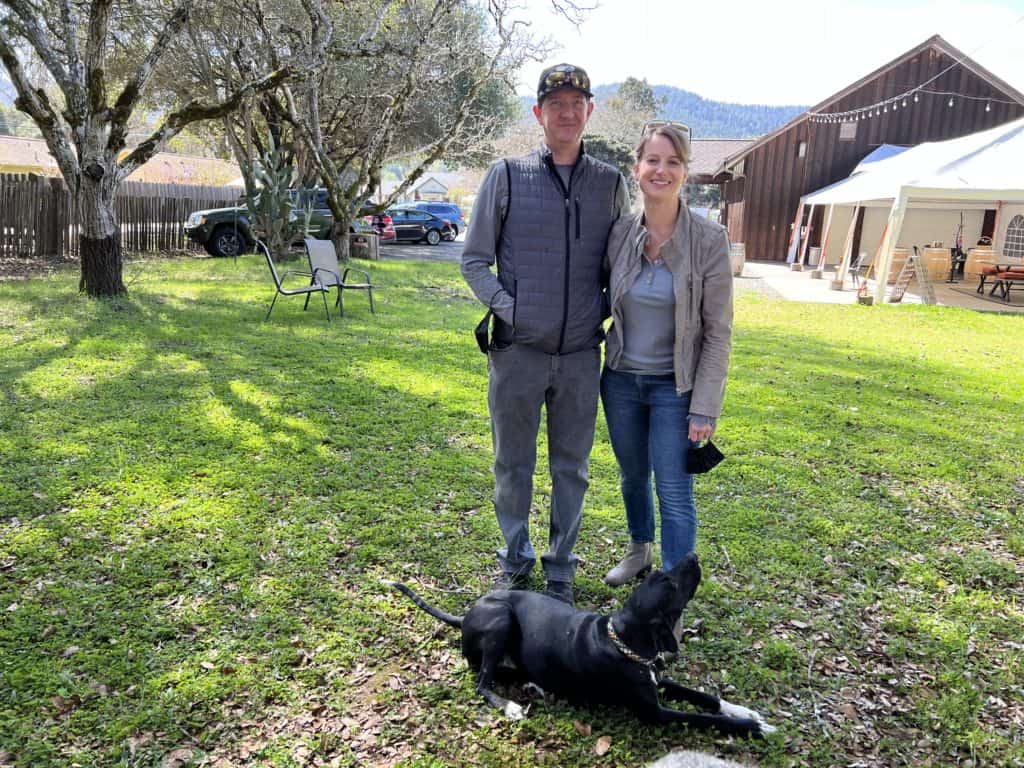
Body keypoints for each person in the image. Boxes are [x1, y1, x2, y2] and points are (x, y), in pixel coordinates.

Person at [461, 63, 630, 605]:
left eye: (577, 101)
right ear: (538, 113)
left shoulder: (611, 183)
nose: (567, 111)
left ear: (590, 112)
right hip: (518, 353)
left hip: (582, 354)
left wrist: (602, 311)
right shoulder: (506, 176)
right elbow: (474, 261)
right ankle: (515, 557)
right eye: (556, 102)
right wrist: (512, 310)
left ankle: (561, 564)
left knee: (572, 469)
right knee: (513, 463)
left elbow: (622, 264)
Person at [601, 121, 733, 586]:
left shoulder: (709, 241)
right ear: (637, 169)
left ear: (685, 172)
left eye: (673, 162)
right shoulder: (618, 234)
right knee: (632, 476)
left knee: (674, 490)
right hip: (619, 380)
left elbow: (718, 331)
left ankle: (673, 591)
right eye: (653, 160)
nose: (662, 170)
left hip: (674, 388)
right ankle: (639, 551)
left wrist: (705, 406)